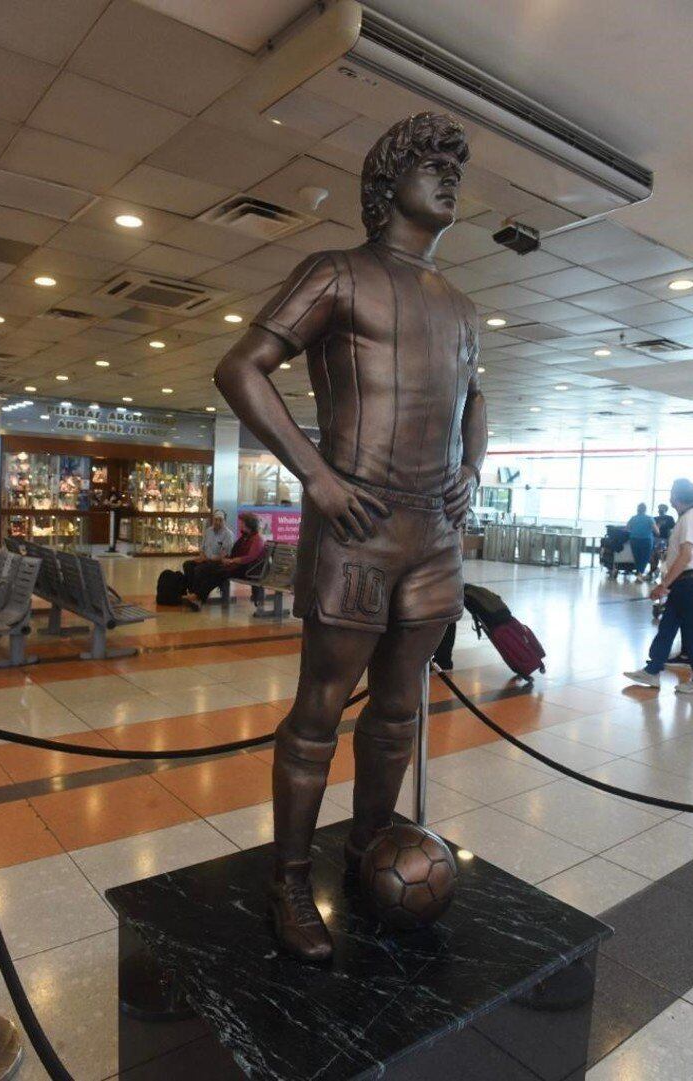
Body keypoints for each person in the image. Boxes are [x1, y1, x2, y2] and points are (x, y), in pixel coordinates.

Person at [215, 112, 487, 961]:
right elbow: (240, 367)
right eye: (431, 164)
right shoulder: (335, 272)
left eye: (455, 167)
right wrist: (318, 476)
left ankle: (369, 840)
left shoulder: (461, 302)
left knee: (401, 707)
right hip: (358, 527)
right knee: (319, 712)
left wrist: (473, 467)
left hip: (433, 534)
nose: (449, 177)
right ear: (386, 182)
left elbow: (477, 399)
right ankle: (289, 877)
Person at [624, 478, 693, 693]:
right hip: (682, 583)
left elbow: (686, 555)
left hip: (688, 582)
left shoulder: (690, 517)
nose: (669, 498)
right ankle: (653, 670)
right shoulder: (685, 517)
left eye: (672, 493)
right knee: (667, 627)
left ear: (679, 496)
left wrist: (664, 584)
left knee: (691, 631)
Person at [182, 512, 265, 611]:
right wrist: (229, 560)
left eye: (242, 522)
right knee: (212, 570)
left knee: (218, 572)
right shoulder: (245, 537)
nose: (240, 524)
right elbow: (235, 552)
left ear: (248, 525)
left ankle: (198, 596)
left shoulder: (257, 539)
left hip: (247, 569)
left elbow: (250, 557)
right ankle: (197, 596)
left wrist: (232, 560)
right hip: (238, 566)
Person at [182, 510, 234, 594]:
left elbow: (223, 556)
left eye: (220, 520)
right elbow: (202, 548)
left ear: (224, 521)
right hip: (206, 559)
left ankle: (198, 594)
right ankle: (192, 591)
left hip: (218, 562)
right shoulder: (208, 531)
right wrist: (202, 557)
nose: (217, 522)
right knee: (187, 564)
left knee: (199, 570)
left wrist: (206, 559)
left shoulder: (228, 535)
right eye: (216, 520)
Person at [626, 502, 658, 581]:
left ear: (637, 509)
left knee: (637, 557)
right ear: (645, 510)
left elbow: (627, 528)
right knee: (645, 557)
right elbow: (657, 532)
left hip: (634, 539)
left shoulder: (633, 518)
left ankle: (639, 573)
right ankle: (640, 574)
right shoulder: (649, 518)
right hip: (646, 540)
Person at [652, 502, 676, 575]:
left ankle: (663, 573)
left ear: (666, 510)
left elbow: (673, 528)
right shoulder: (654, 518)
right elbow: (652, 529)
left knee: (663, 557)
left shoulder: (669, 518)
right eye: (659, 509)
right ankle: (653, 571)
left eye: (662, 509)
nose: (660, 510)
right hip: (655, 539)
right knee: (654, 556)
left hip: (664, 540)